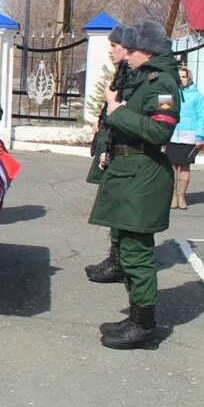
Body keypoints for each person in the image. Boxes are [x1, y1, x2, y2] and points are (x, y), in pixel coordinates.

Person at [89, 20, 180, 350]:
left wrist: (116, 110)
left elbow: (159, 132)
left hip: (143, 176)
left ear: (147, 51)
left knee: (138, 254)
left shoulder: (161, 82)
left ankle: (144, 327)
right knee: (129, 248)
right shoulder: (146, 78)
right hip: (132, 172)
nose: (126, 54)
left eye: (132, 50)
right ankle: (137, 317)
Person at [84, 25, 129, 284]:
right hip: (111, 142)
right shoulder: (122, 72)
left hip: (122, 150)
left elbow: (123, 108)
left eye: (114, 45)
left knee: (118, 204)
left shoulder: (132, 75)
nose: (110, 50)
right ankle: (115, 256)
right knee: (111, 202)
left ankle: (120, 260)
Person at [168, 64, 204, 210]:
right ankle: (172, 197)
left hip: (189, 137)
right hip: (171, 136)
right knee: (171, 168)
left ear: (188, 78)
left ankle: (181, 197)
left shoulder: (197, 95)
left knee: (184, 167)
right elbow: (162, 113)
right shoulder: (168, 93)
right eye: (178, 77)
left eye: (183, 77)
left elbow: (202, 117)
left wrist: (199, 136)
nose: (181, 79)